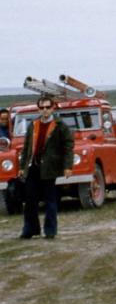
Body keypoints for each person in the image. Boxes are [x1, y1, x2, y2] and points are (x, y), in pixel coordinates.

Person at [19, 96, 74, 239]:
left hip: (49, 168)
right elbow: (26, 148)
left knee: (50, 200)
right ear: (38, 108)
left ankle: (50, 231)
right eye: (42, 107)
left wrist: (68, 166)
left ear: (53, 108)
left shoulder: (60, 125)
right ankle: (29, 230)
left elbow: (68, 146)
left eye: (48, 107)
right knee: (30, 200)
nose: (45, 110)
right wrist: (22, 166)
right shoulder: (33, 124)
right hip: (33, 167)